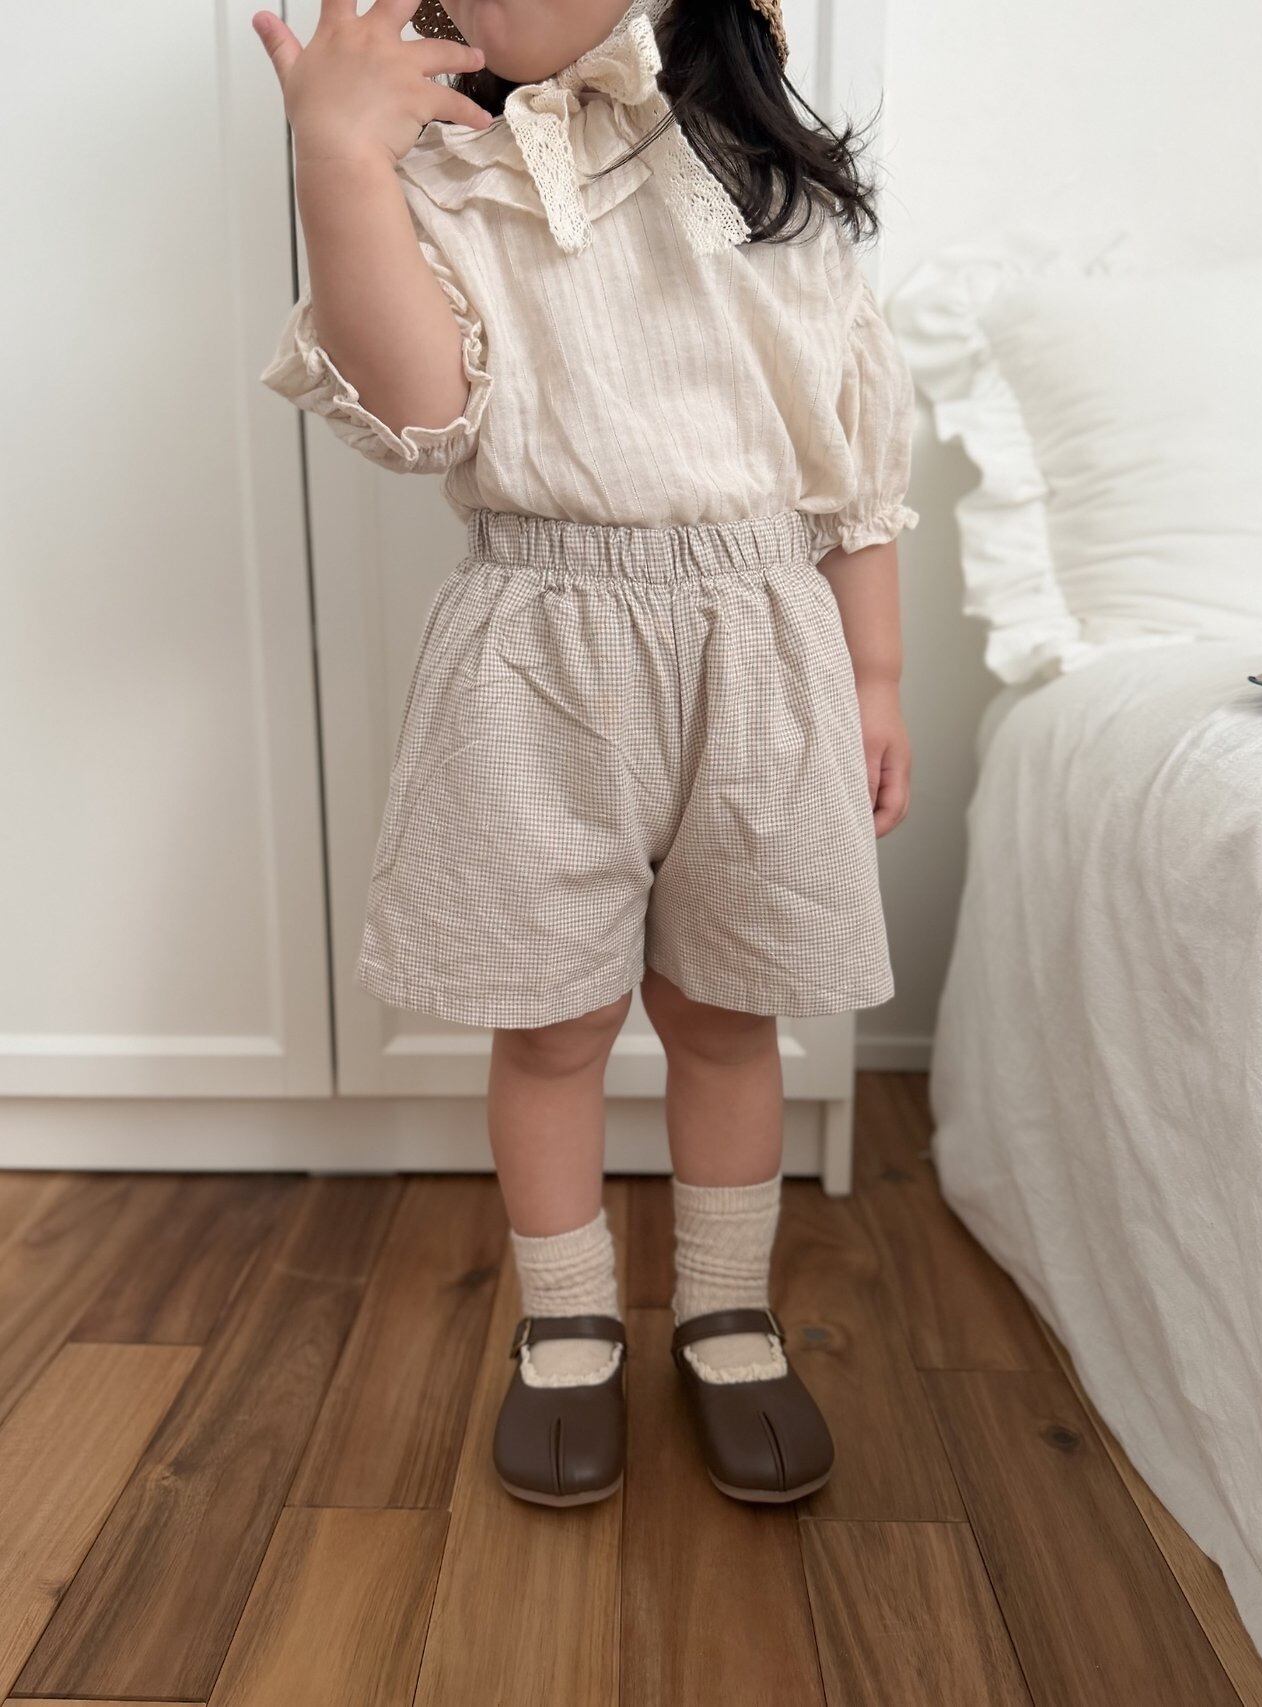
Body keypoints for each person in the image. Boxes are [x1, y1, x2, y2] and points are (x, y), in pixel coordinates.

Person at [254, 0, 917, 1508]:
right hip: (535, 644)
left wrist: (876, 673)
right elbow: (422, 414)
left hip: (765, 639)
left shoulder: (769, 174)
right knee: (552, 1023)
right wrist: (339, 158)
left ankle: (727, 1312)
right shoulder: (439, 168)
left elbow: (853, 456)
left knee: (728, 1009)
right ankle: (565, 1324)